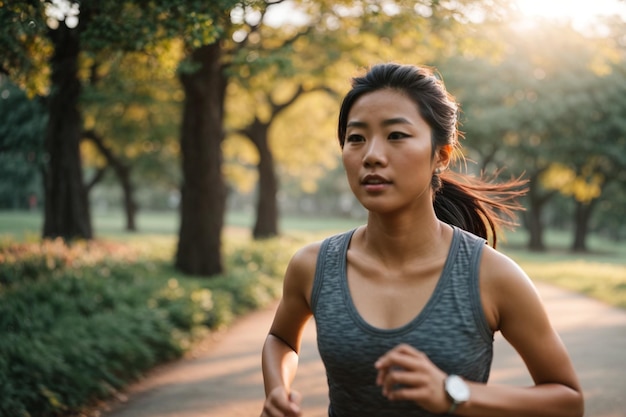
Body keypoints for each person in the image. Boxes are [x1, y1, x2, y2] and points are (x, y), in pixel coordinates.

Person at [260, 63, 584, 417]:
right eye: (356, 138)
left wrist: (454, 394)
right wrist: (278, 388)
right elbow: (281, 339)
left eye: (396, 135)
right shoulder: (313, 265)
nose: (371, 155)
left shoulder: (491, 276)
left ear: (441, 155)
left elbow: (568, 400)